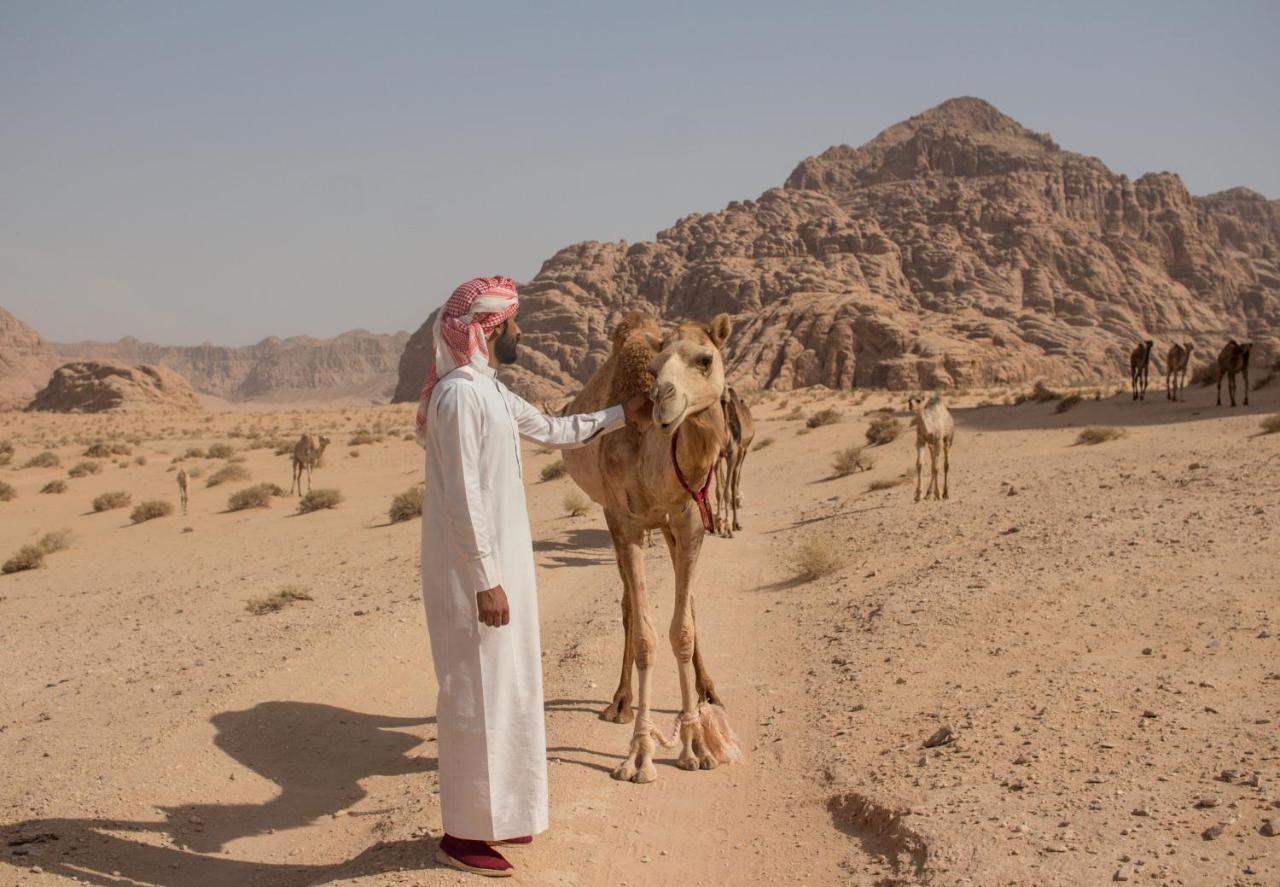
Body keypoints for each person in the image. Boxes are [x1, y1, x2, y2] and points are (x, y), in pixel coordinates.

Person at [416, 276, 650, 878]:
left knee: (508, 690)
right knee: (473, 695)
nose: (522, 332)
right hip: (475, 574)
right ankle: (460, 834)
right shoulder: (460, 398)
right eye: (514, 322)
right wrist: (485, 579)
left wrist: (625, 414)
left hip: (499, 566)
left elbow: (553, 429)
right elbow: (465, 495)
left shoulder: (489, 390)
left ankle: (496, 816)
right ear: (489, 328)